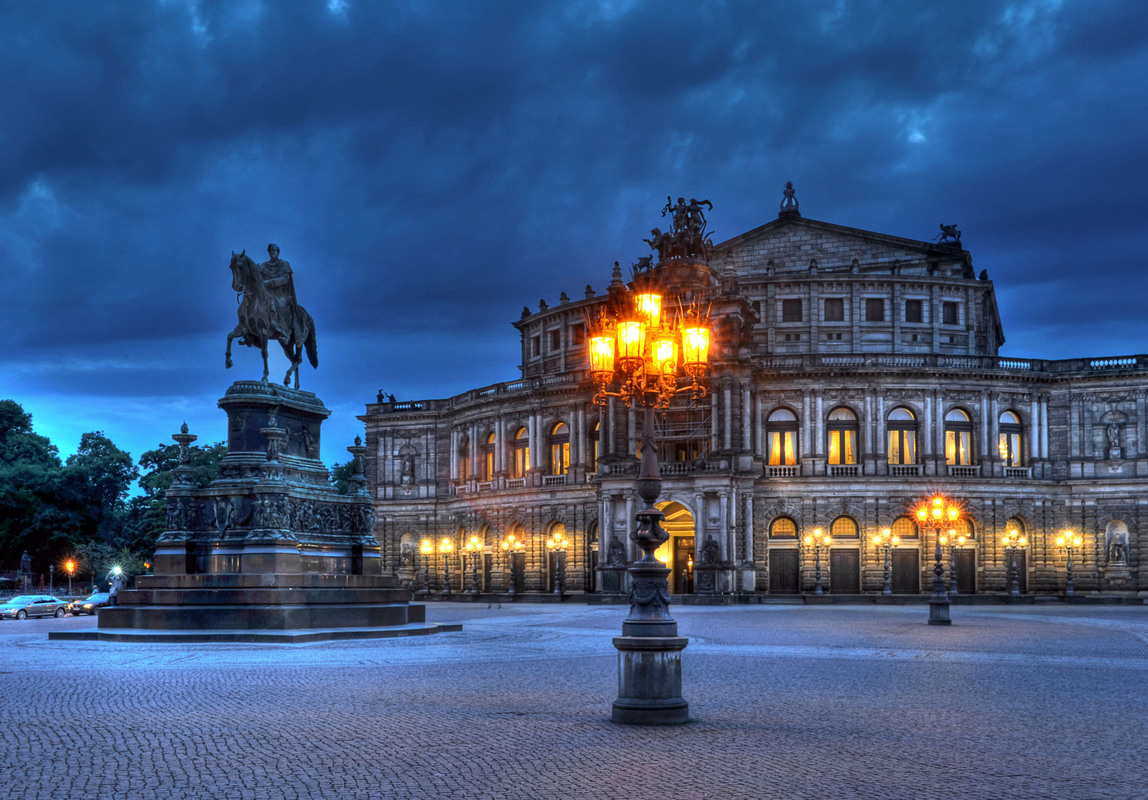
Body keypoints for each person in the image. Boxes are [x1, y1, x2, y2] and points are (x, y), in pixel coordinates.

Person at [259, 243, 298, 340]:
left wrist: (269, 282)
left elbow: (285, 279)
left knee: (278, 304)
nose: (272, 252)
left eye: (274, 250)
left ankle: (284, 331)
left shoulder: (284, 264)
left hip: (280, 293)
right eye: (270, 250)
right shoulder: (263, 266)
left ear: (278, 252)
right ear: (268, 252)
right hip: (266, 292)